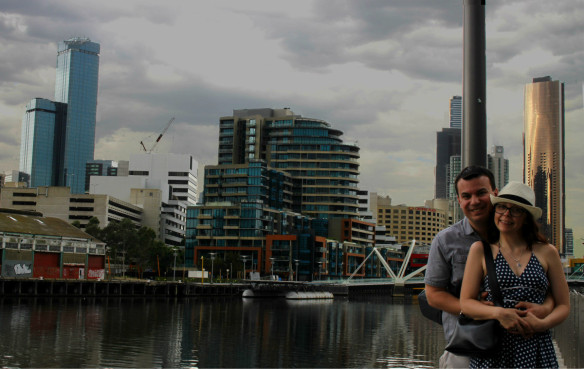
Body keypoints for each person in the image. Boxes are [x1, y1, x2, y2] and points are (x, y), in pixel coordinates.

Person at [424, 166, 553, 368]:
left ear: (495, 193)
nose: (474, 201)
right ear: (459, 200)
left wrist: (543, 310)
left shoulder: (515, 230)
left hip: (521, 343)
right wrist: (481, 310)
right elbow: (433, 294)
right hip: (469, 342)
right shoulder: (445, 240)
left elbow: (545, 287)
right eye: (466, 196)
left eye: (481, 193)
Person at [460, 181, 569, 368]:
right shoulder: (480, 250)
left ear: (526, 217)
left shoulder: (547, 251)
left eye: (516, 210)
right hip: (494, 347)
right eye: (501, 207)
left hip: (536, 347)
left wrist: (542, 324)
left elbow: (563, 305)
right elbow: (466, 303)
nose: (506, 214)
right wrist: (499, 313)